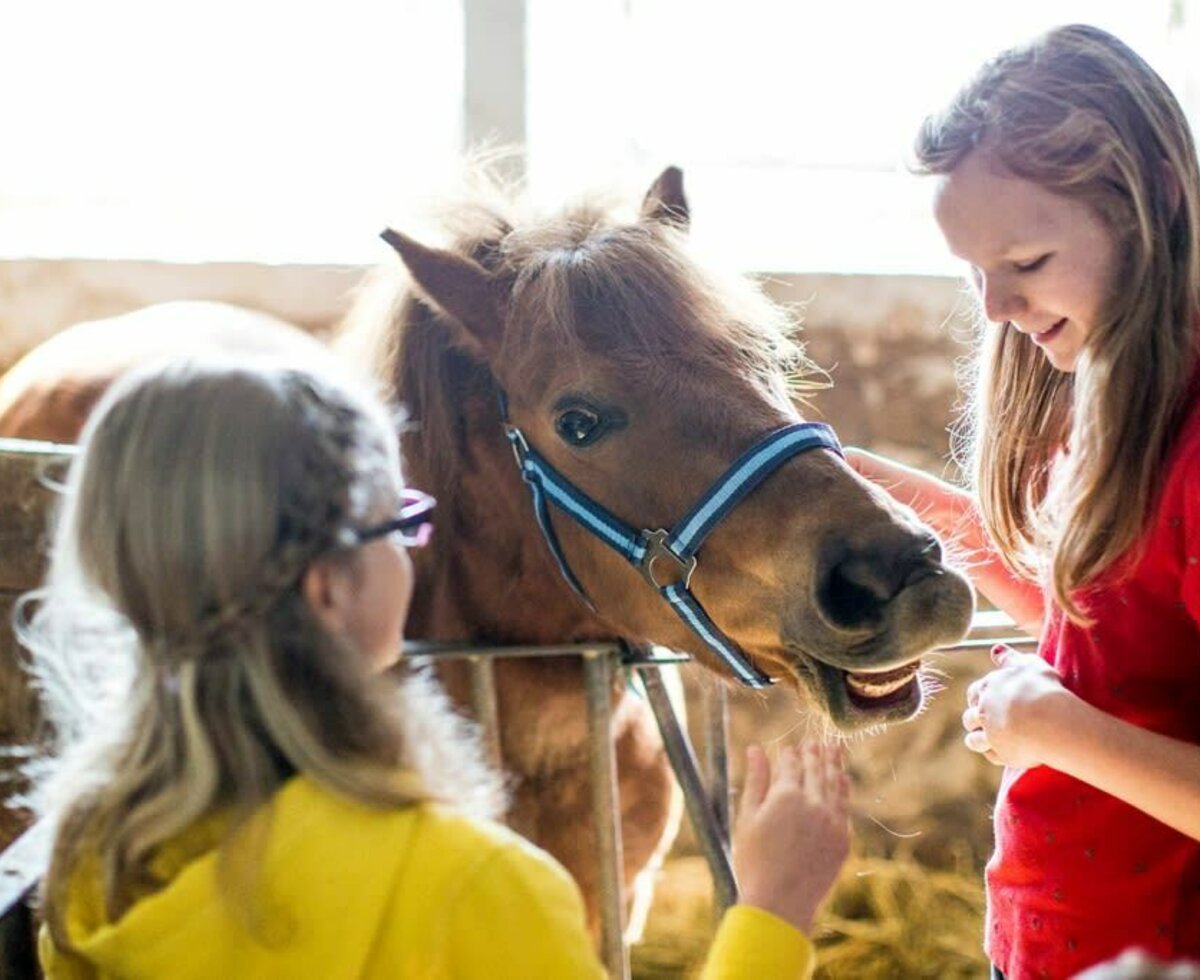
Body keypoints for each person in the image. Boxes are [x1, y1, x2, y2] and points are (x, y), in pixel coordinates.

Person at [21, 355, 851, 979]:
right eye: (403, 523)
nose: (419, 552)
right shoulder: (471, 886)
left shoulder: (90, 859)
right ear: (327, 588)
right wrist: (771, 911)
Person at [847, 23, 1200, 979]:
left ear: (1153, 201)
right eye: (974, 273)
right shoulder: (1108, 392)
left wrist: (1055, 732)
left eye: (1028, 263)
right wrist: (891, 495)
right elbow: (1117, 626)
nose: (996, 308)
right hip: (1051, 937)